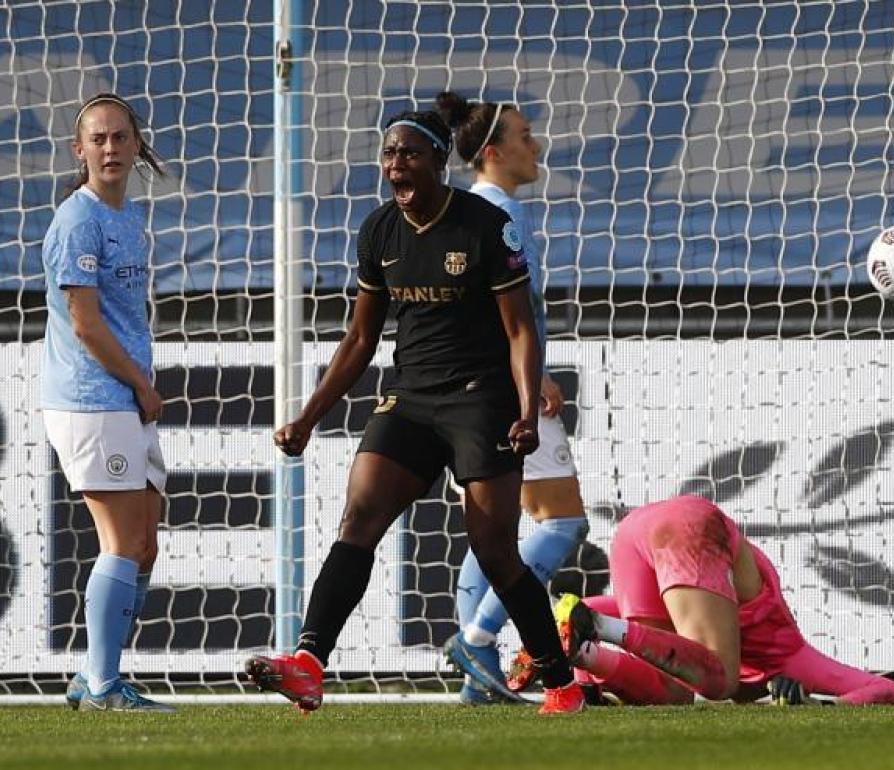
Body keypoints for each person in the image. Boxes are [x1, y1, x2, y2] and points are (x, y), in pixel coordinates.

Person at [244, 109, 584, 715]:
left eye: (409, 154)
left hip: (481, 399)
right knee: (359, 518)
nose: (395, 165)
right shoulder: (379, 230)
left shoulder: (486, 226)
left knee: (495, 551)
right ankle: (309, 664)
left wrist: (526, 411)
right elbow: (360, 338)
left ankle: (561, 684)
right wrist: (308, 417)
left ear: (438, 161)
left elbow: (520, 330)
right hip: (411, 398)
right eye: (388, 154)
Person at [435, 91, 590, 706]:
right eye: (525, 136)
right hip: (508, 389)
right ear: (494, 153)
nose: (537, 145)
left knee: (492, 532)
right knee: (562, 521)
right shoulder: (500, 213)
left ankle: (478, 680)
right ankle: (477, 639)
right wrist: (533, 374)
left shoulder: (465, 211)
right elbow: (501, 308)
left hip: (469, 390)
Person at [512, 495, 894, 707]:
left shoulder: (699, 622)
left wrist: (586, 679)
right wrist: (822, 707)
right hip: (689, 528)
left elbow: (588, 608)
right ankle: (597, 637)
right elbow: (884, 688)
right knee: (720, 682)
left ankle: (585, 662)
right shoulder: (788, 657)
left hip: (634, 532)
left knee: (676, 690)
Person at [41, 92, 174, 712]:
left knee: (144, 545)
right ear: (80, 150)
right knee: (121, 543)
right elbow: (86, 325)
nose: (111, 148)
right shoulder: (78, 220)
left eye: (121, 137)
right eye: (98, 139)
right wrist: (142, 386)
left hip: (123, 399)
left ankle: (94, 673)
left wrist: (138, 388)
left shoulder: (129, 216)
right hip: (92, 398)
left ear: (137, 144)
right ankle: (101, 686)